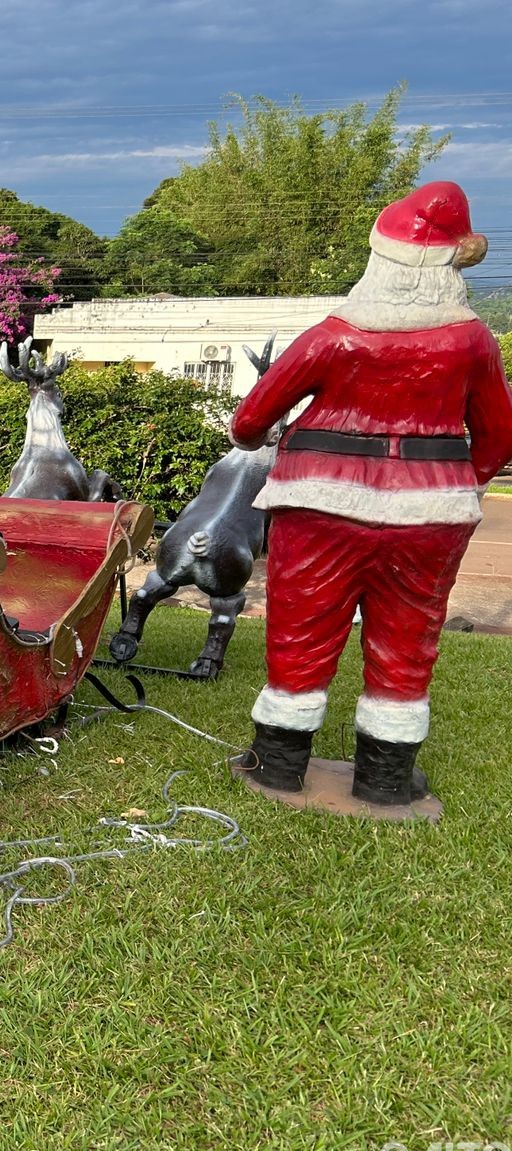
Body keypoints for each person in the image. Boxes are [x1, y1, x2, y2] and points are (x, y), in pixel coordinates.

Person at [230, 181, 512, 806]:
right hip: (432, 512)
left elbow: (249, 423)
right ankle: (384, 779)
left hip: (320, 503)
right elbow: (498, 439)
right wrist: (456, 484)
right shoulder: (472, 343)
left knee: (301, 629)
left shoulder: (333, 335)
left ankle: (278, 766)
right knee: (408, 637)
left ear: (378, 258)